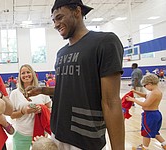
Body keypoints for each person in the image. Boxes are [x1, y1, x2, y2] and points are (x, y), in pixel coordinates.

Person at [25, 0, 125, 149]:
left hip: (85, 140)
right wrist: (43, 90)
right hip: (58, 134)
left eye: (59, 17)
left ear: (77, 11)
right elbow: (72, 89)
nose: (56, 24)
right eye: (54, 20)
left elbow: (111, 102)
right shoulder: (61, 53)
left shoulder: (105, 42)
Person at [10, 64, 52, 150]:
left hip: (40, 135)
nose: (26, 75)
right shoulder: (15, 93)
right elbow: (11, 115)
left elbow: (50, 109)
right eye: (23, 73)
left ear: (33, 74)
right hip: (22, 134)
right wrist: (23, 111)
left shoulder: (41, 90)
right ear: (20, 76)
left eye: (28, 72)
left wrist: (42, 110)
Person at [126, 74, 166, 150]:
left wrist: (133, 100)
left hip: (150, 115)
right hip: (155, 114)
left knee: (146, 132)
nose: (145, 87)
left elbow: (145, 104)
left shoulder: (155, 93)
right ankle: (164, 144)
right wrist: (135, 92)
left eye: (145, 85)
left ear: (150, 84)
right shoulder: (155, 91)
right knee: (155, 132)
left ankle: (144, 148)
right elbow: (145, 96)